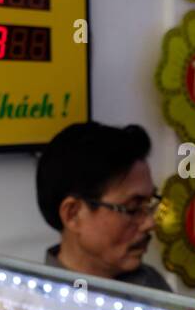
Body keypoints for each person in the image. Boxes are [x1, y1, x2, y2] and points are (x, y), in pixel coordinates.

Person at [35, 121, 170, 291]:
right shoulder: (30, 306)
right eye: (133, 208)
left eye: (150, 203)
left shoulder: (152, 284)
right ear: (73, 214)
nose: (150, 223)